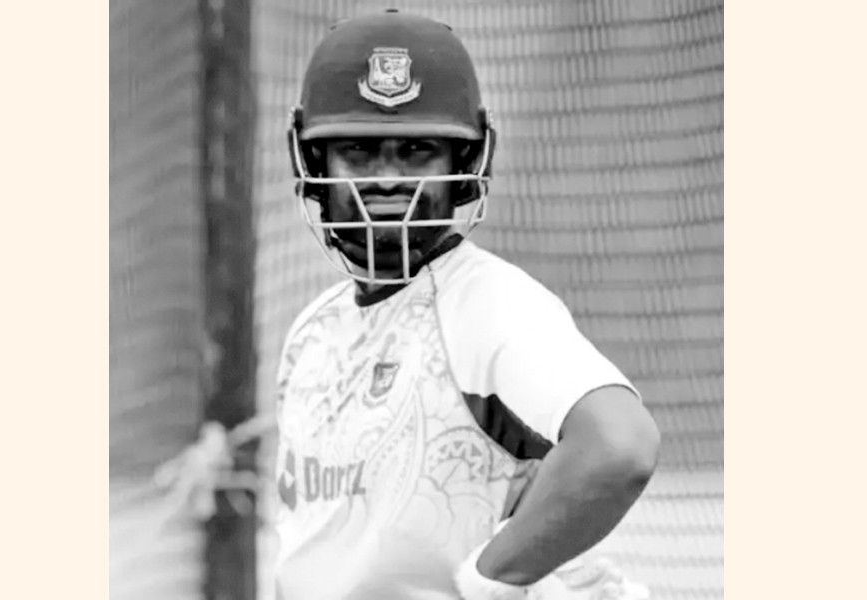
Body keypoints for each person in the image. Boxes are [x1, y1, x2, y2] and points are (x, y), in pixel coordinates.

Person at [274, 9, 661, 600]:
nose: (387, 178)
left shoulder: (487, 305)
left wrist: (484, 582)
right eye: (357, 149)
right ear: (312, 161)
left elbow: (619, 447)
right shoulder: (312, 334)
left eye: (417, 150)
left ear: (463, 165)